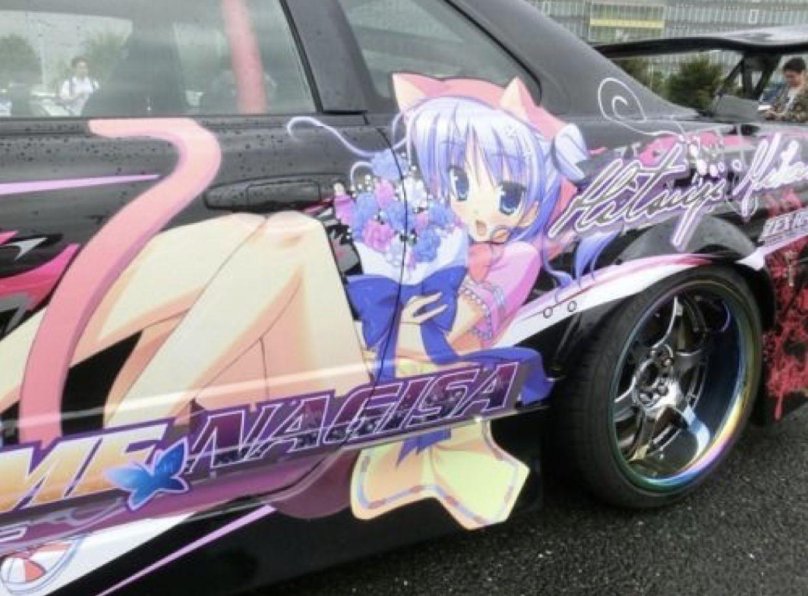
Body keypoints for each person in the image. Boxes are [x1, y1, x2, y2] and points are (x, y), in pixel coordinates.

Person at [765, 57, 808, 124]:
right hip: (777, 125)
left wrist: (785, 117)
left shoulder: (806, 90)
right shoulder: (784, 89)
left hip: (797, 128)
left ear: (802, 73)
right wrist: (770, 112)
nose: (789, 80)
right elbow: (775, 104)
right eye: (787, 77)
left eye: (792, 76)